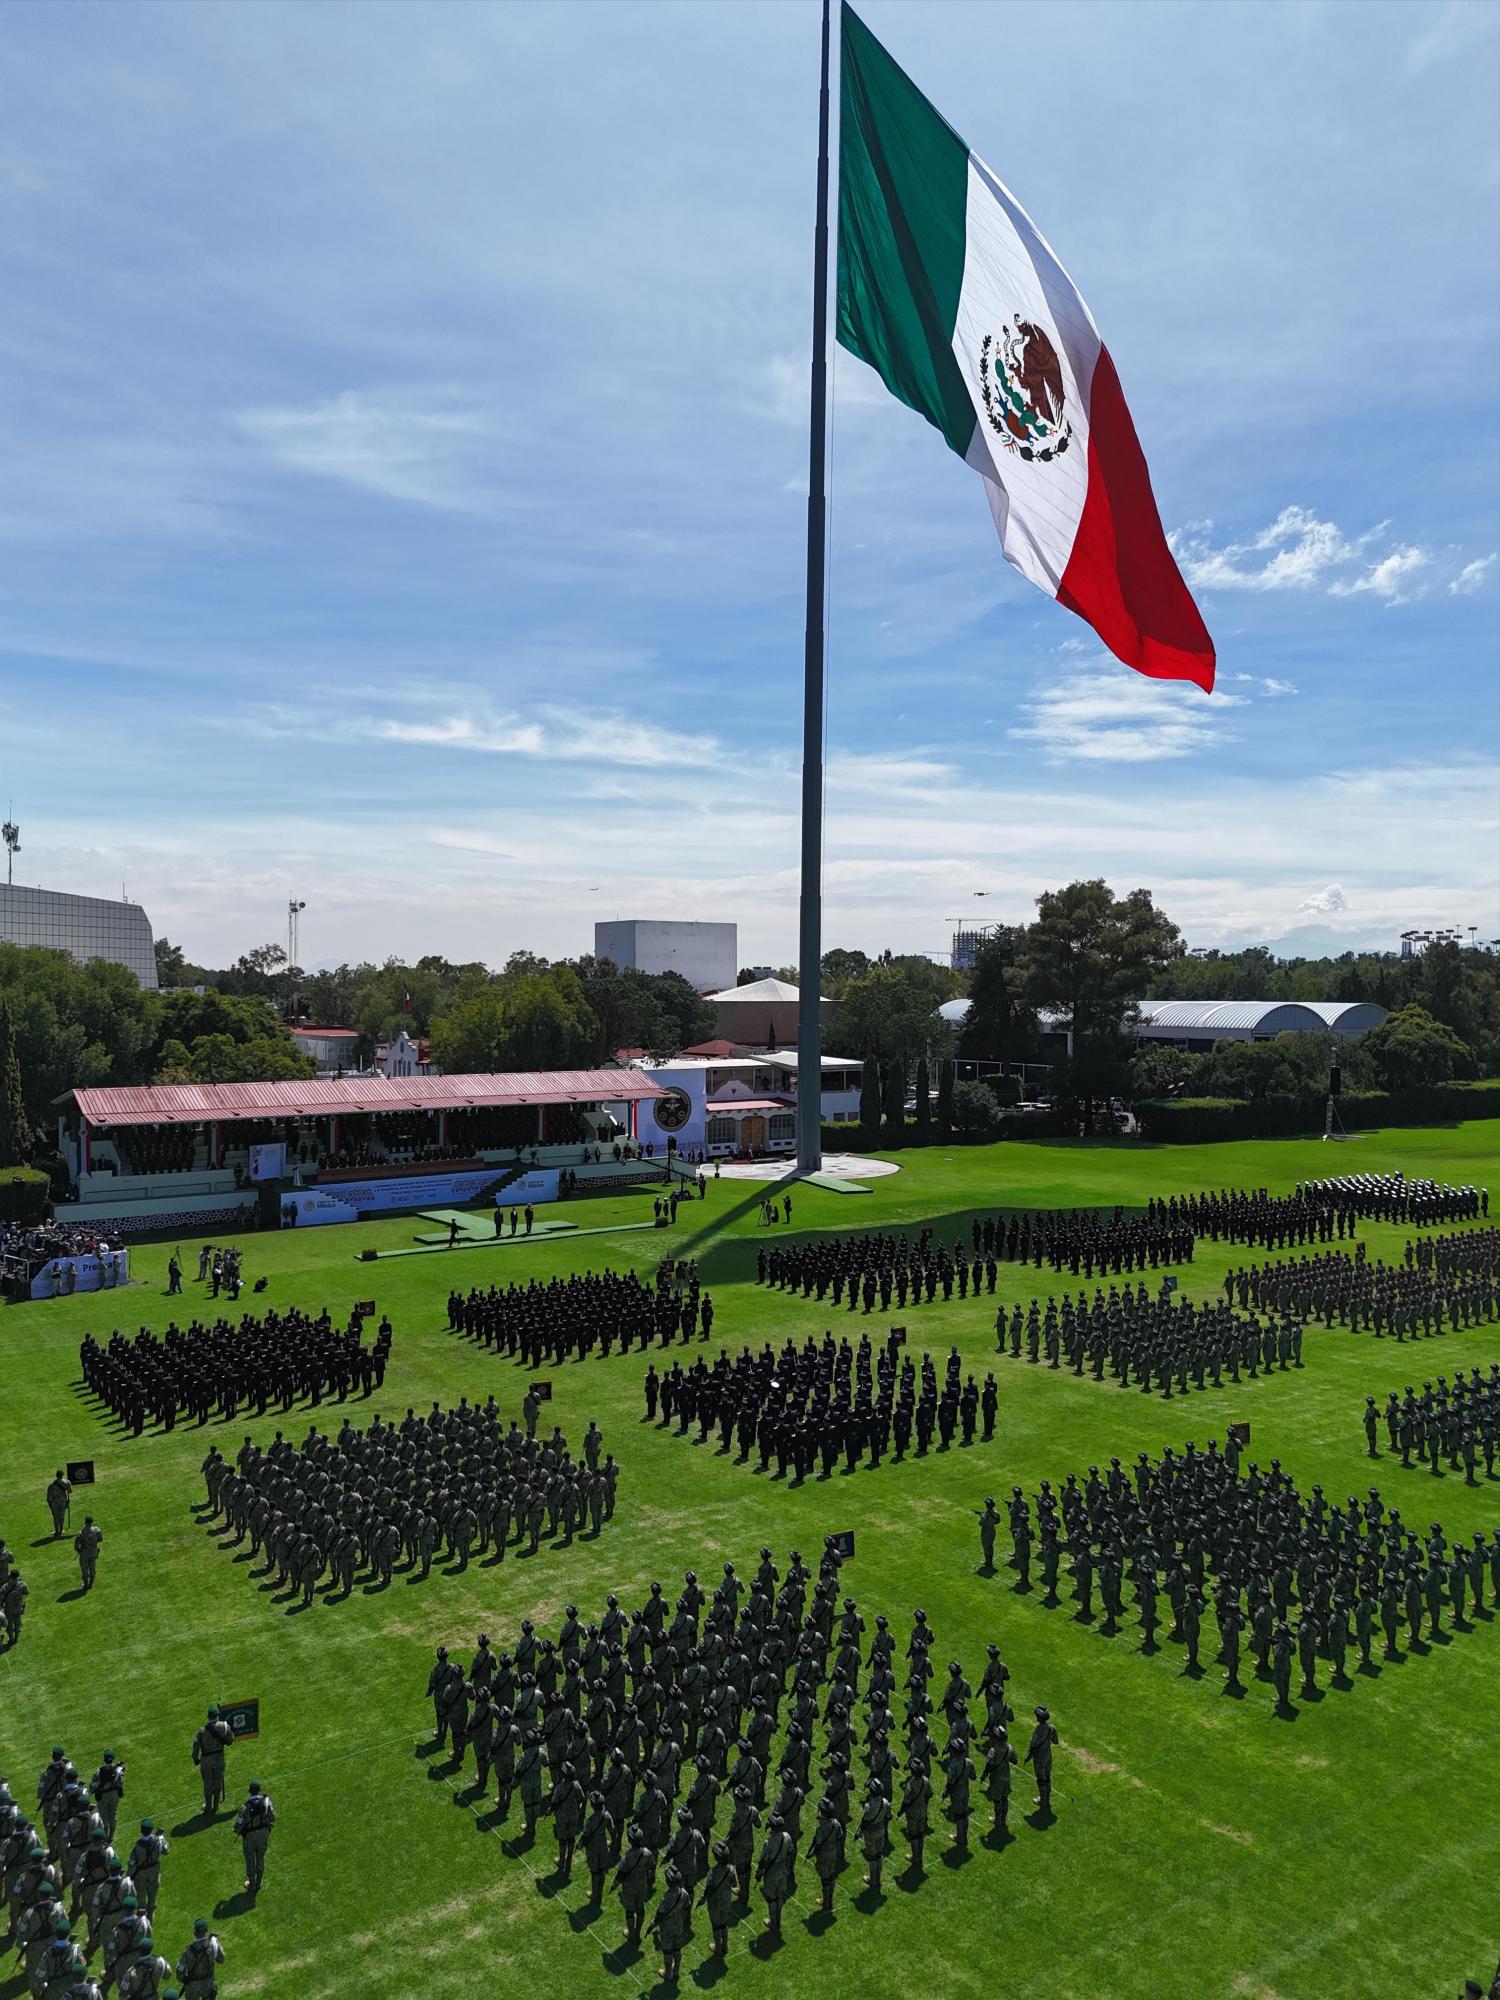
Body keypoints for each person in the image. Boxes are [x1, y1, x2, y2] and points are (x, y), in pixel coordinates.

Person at [648, 1863, 692, 1983]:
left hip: (667, 1928)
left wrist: (652, 1925)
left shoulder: (666, 1898)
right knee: (677, 1948)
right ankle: (676, 1970)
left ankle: (668, 1973)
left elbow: (660, 1915)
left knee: (667, 1951)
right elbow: (688, 1906)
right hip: (679, 1925)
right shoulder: (684, 1893)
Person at [233, 1783, 275, 1894]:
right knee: (261, 1857)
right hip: (263, 1834)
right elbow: (273, 1817)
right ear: (259, 1790)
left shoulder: (245, 1806)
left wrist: (237, 1830)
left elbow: (238, 1825)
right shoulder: (267, 1802)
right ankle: (259, 1882)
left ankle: (252, 1884)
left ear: (250, 1791)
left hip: (250, 1837)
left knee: (250, 1859)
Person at [699, 1839, 738, 1956]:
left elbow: (708, 1889)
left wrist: (703, 1899)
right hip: (726, 1899)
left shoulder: (712, 1872)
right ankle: (725, 1945)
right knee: (724, 1923)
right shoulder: (731, 1869)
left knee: (716, 1925)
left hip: (715, 1901)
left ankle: (718, 1947)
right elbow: (734, 1884)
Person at [192, 1711, 233, 1814]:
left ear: (208, 1717)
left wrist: (195, 1759)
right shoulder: (224, 1726)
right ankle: (216, 1805)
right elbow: (230, 1740)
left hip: (206, 1761)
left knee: (207, 1784)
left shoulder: (201, 1731)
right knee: (218, 1782)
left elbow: (196, 1746)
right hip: (219, 1759)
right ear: (217, 1716)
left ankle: (208, 1807)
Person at [174, 1917, 224, 1997]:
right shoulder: (213, 1945)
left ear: (195, 1932)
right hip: (208, 1985)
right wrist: (217, 1942)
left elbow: (179, 1972)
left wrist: (184, 1979)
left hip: (192, 1987)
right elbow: (221, 1960)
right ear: (206, 1930)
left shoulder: (187, 1952)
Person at [1024, 1705, 1057, 1815]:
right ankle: (1047, 1799)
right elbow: (1056, 1741)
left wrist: (1028, 1757)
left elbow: (1033, 1746)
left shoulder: (1038, 1730)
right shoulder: (1052, 1728)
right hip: (1048, 1756)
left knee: (1041, 1780)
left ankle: (1043, 1801)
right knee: (1047, 1778)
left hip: (1039, 1758)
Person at [74, 1517, 103, 1592]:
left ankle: (86, 1584)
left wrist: (79, 1550)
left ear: (85, 1522)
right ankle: (91, 1584)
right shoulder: (97, 1530)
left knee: (84, 1569)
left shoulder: (81, 1532)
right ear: (92, 1522)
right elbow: (100, 1539)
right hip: (93, 1552)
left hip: (84, 1553)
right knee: (92, 1567)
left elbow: (76, 1545)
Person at [47, 1471, 72, 1540]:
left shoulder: (51, 1484)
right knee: (62, 1516)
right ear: (62, 1475)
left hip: (54, 1502)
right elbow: (70, 1491)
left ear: (56, 1475)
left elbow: (49, 1497)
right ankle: (61, 1530)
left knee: (56, 1517)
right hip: (63, 1502)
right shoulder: (67, 1482)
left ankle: (57, 1531)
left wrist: (50, 1504)